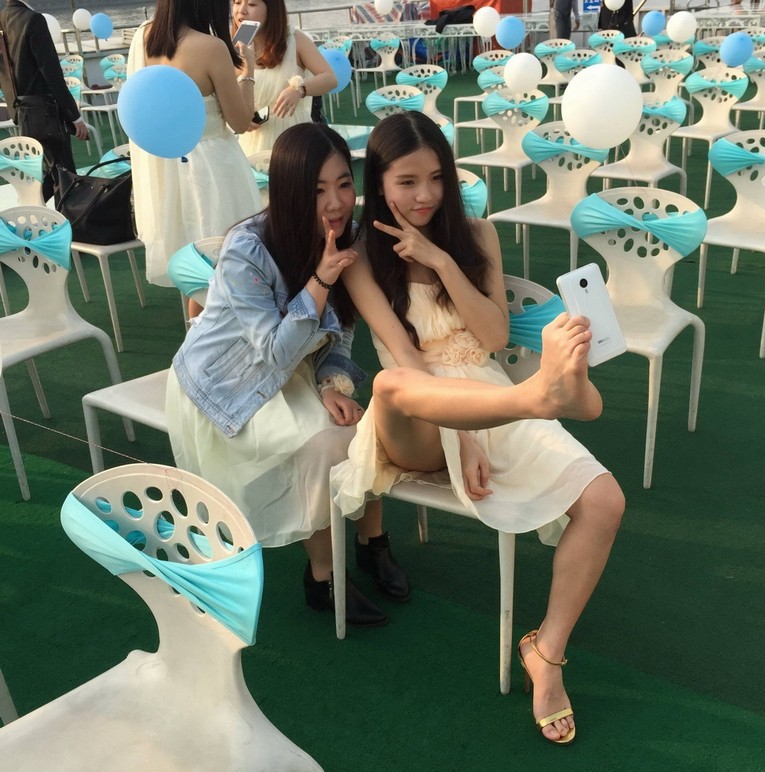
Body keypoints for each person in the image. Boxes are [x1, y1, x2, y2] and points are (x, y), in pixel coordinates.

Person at [332, 112, 625, 744]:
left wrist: (441, 259)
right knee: (388, 384)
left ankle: (546, 654)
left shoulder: (476, 234)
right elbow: (403, 354)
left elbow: (492, 336)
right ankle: (547, 394)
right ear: (377, 183)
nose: (426, 195)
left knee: (605, 500)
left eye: (437, 177)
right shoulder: (361, 259)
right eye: (407, 181)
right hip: (415, 414)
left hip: (494, 395)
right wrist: (459, 435)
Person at [165, 122, 409, 628]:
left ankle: (372, 543)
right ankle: (323, 576)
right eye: (317, 190)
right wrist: (322, 278)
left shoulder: (347, 236)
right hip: (227, 383)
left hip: (295, 369)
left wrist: (331, 382)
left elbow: (341, 329)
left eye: (344, 183)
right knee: (323, 445)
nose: (336, 202)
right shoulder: (248, 249)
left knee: (367, 425)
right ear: (288, 191)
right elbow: (273, 353)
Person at [128, 0, 261, 287]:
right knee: (227, 260)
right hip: (213, 168)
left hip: (168, 167)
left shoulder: (143, 38)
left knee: (192, 264)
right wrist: (248, 70)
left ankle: (198, 315)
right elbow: (241, 121)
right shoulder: (211, 47)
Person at [0, 0, 89, 201]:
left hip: (21, 112)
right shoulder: (33, 20)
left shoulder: (3, 19)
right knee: (64, 175)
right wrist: (74, 116)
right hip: (45, 112)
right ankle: (65, 218)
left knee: (50, 173)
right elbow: (52, 73)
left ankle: (30, 206)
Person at [231, 0, 336, 157]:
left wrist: (299, 90)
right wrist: (239, 117)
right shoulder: (232, 46)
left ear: (271, 9)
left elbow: (330, 78)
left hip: (292, 138)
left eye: (252, 4)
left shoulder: (295, 39)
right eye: (237, 2)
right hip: (250, 142)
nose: (242, 10)